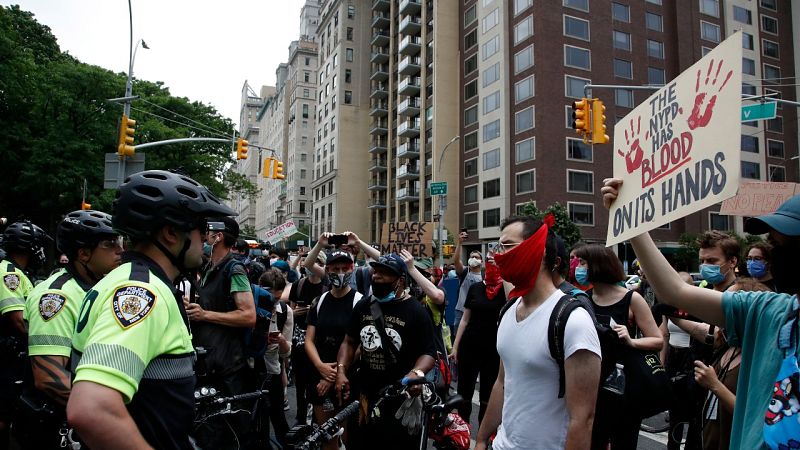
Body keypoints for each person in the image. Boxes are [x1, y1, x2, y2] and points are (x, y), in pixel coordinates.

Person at [603, 180, 800, 449]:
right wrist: (632, 220)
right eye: (773, 244)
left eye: (788, 247)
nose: (776, 255)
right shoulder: (768, 310)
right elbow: (675, 291)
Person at [67, 170, 236, 449]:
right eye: (200, 228)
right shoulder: (142, 292)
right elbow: (92, 409)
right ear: (170, 233)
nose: (206, 239)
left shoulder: (127, 279)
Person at [475, 216, 601, 450]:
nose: (498, 255)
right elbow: (502, 382)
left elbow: (582, 419)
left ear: (540, 251)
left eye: (507, 246)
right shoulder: (508, 311)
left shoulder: (573, 321)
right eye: (498, 247)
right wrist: (482, 439)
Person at [19, 210, 122, 448]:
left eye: (119, 242)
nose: (120, 250)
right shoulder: (57, 296)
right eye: (109, 244)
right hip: (55, 428)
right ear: (83, 254)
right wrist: (113, 415)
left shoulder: (98, 288)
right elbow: (49, 377)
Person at [335, 253, 437, 450]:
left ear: (400, 280)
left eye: (385, 273)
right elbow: (349, 341)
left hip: (400, 396)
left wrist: (416, 373)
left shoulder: (416, 311)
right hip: (365, 396)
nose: (377, 276)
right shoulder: (364, 306)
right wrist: (341, 370)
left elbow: (429, 353)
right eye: (376, 271)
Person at [573, 244, 663, 450]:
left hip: (624, 387)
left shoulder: (632, 299)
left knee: (624, 441)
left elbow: (657, 340)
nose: (578, 268)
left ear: (598, 265)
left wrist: (631, 341)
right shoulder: (584, 299)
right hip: (591, 385)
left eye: (583, 263)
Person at [696, 278, 767, 450]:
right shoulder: (728, 345)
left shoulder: (760, 359)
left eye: (728, 305)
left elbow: (754, 417)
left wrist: (714, 385)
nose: (722, 310)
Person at [304, 250, 362, 450]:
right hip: (319, 377)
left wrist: (336, 373)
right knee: (326, 437)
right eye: (335, 269)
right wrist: (320, 366)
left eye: (345, 268)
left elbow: (361, 345)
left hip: (347, 380)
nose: (340, 273)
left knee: (345, 437)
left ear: (352, 269)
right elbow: (309, 340)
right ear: (327, 270)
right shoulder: (320, 301)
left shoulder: (360, 302)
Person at [0, 220, 49, 449]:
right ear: (30, 247)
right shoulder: (10, 274)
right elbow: (19, 321)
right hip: (6, 357)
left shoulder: (17, 272)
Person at [449, 255, 505, 426]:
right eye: (489, 262)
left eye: (495, 262)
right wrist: (455, 347)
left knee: (488, 394)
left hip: (493, 351)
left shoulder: (506, 290)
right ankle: (463, 428)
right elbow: (465, 319)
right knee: (464, 392)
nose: (491, 266)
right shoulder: (475, 288)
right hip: (470, 347)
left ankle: (483, 433)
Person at [258, 268, 293, 449]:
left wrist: (281, 341)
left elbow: (287, 352)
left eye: (278, 298)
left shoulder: (285, 311)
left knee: (278, 415)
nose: (274, 302)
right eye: (270, 297)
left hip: (273, 369)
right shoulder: (251, 305)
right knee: (258, 418)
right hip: (252, 368)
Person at [452, 231, 483, 336]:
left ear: (481, 261)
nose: (473, 259)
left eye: (476, 257)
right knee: (458, 336)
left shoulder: (484, 276)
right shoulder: (464, 271)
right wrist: (459, 243)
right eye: (471, 257)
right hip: (460, 311)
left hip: (476, 312)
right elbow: (456, 260)